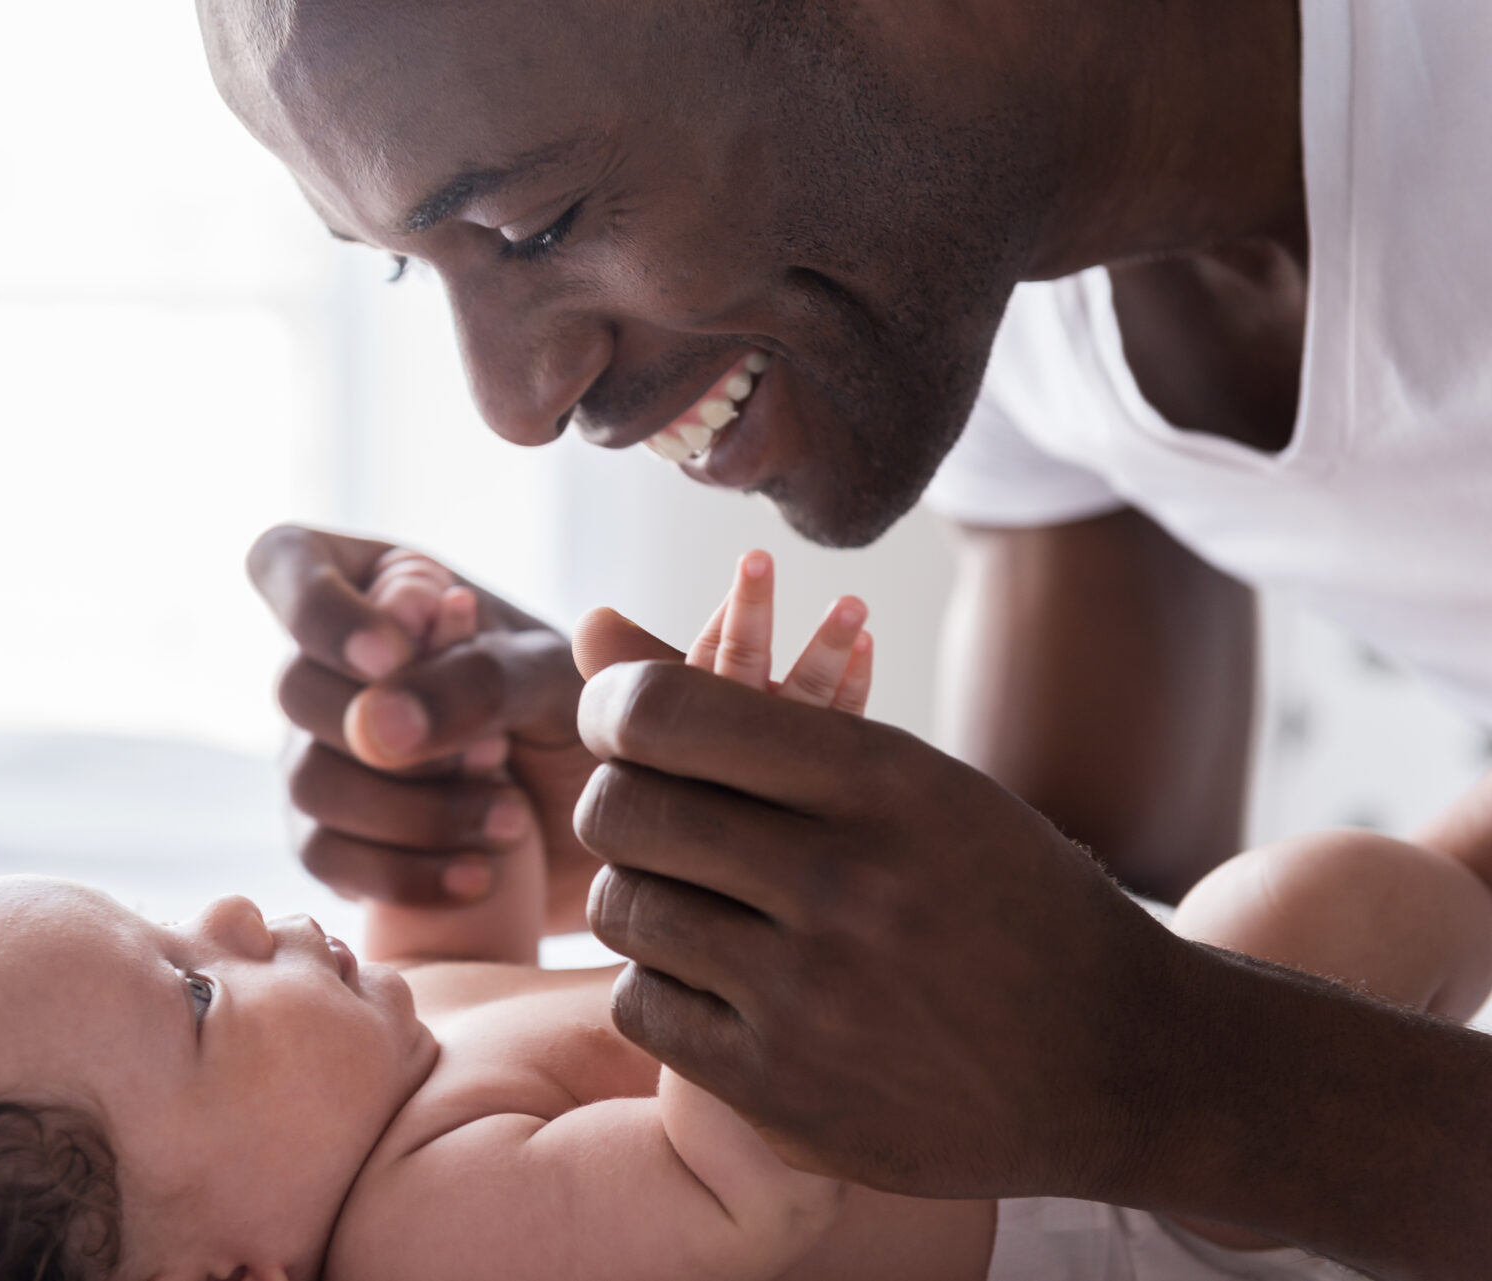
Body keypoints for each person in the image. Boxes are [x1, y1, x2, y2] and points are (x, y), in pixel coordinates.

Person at [202, 0, 1492, 1275]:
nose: (513, 405)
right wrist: (695, 847)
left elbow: (1117, 1045)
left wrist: (1167, 1074)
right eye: (397, 262)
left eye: (536, 225)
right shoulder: (972, 258)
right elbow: (1060, 954)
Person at [0, 552, 1492, 1280]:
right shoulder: (427, 1237)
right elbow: (732, 1175)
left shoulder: (372, 1091)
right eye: (194, 995)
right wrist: (735, 838)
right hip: (1132, 1201)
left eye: (171, 915)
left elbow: (503, 959)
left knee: (1313, 916)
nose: (236, 907)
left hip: (1069, 1068)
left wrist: (451, 864)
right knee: (1321, 903)